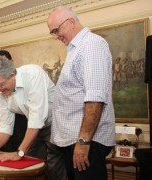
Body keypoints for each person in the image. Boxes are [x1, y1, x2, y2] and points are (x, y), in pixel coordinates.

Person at [47, 6, 115, 180]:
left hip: (86, 142)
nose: (55, 36)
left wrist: (83, 142)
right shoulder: (75, 49)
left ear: (70, 22)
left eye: (56, 30)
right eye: (52, 33)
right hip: (75, 140)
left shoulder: (91, 44)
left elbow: (95, 98)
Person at [0, 54, 66, 180]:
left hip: (56, 125)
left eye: (0, 85)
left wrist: (19, 152)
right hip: (34, 128)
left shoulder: (32, 74)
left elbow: (37, 118)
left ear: (11, 75)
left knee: (54, 170)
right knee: (30, 167)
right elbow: (5, 128)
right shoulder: (0, 93)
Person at [0, 50, 28, 152]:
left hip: (24, 130)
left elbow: (36, 119)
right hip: (0, 129)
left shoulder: (28, 77)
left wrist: (19, 153)